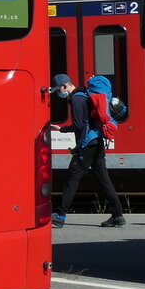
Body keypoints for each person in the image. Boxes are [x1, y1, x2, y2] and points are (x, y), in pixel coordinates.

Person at [49, 74, 126, 228]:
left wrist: (62, 129)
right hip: (97, 141)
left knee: (72, 178)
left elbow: (79, 126)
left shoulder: (76, 99)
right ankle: (117, 216)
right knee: (104, 180)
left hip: (88, 145)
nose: (59, 93)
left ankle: (59, 216)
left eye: (59, 90)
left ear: (64, 86)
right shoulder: (84, 95)